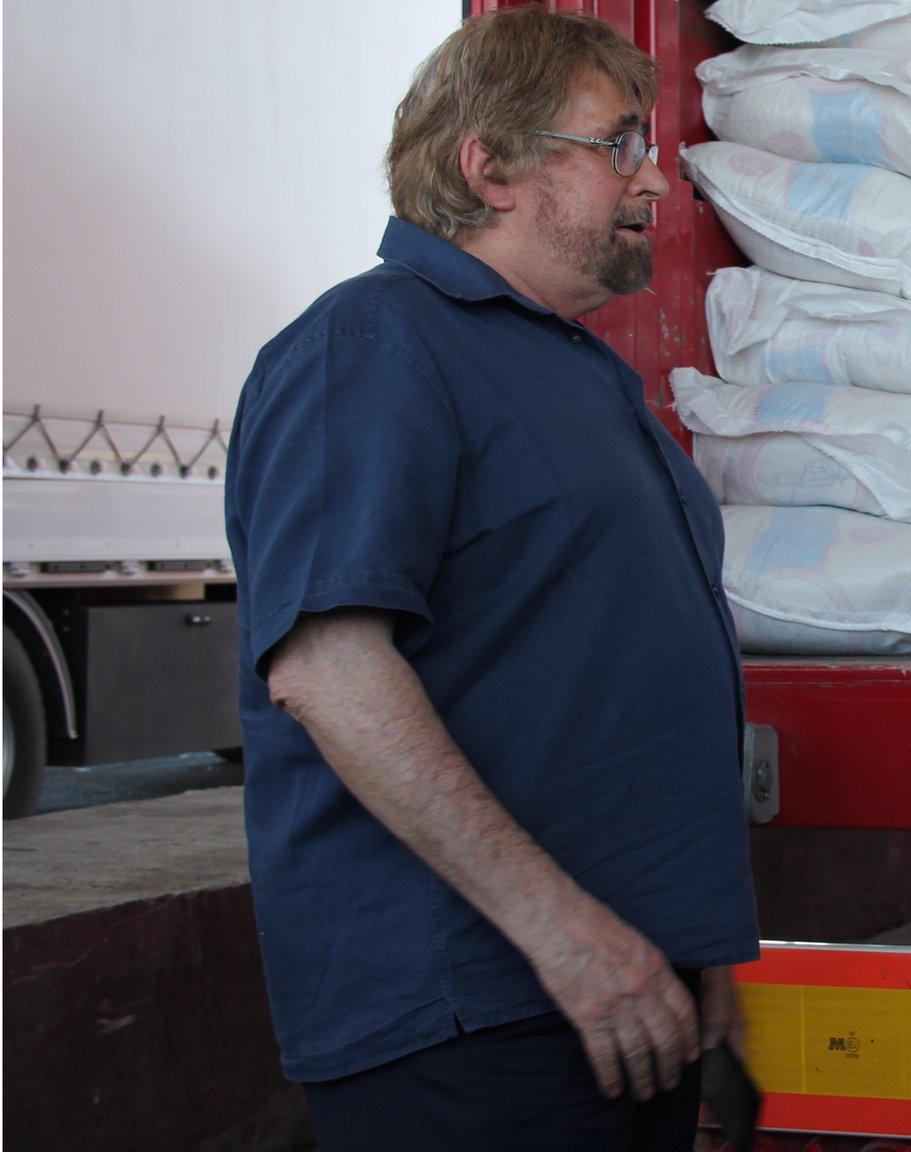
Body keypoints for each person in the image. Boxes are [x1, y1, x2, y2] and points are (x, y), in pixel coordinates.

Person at [224, 10, 757, 1149]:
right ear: (491, 164)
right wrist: (565, 935)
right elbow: (329, 669)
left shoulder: (576, 372)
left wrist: (683, 945)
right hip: (467, 1018)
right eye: (617, 144)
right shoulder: (370, 349)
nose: (654, 181)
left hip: (611, 999)